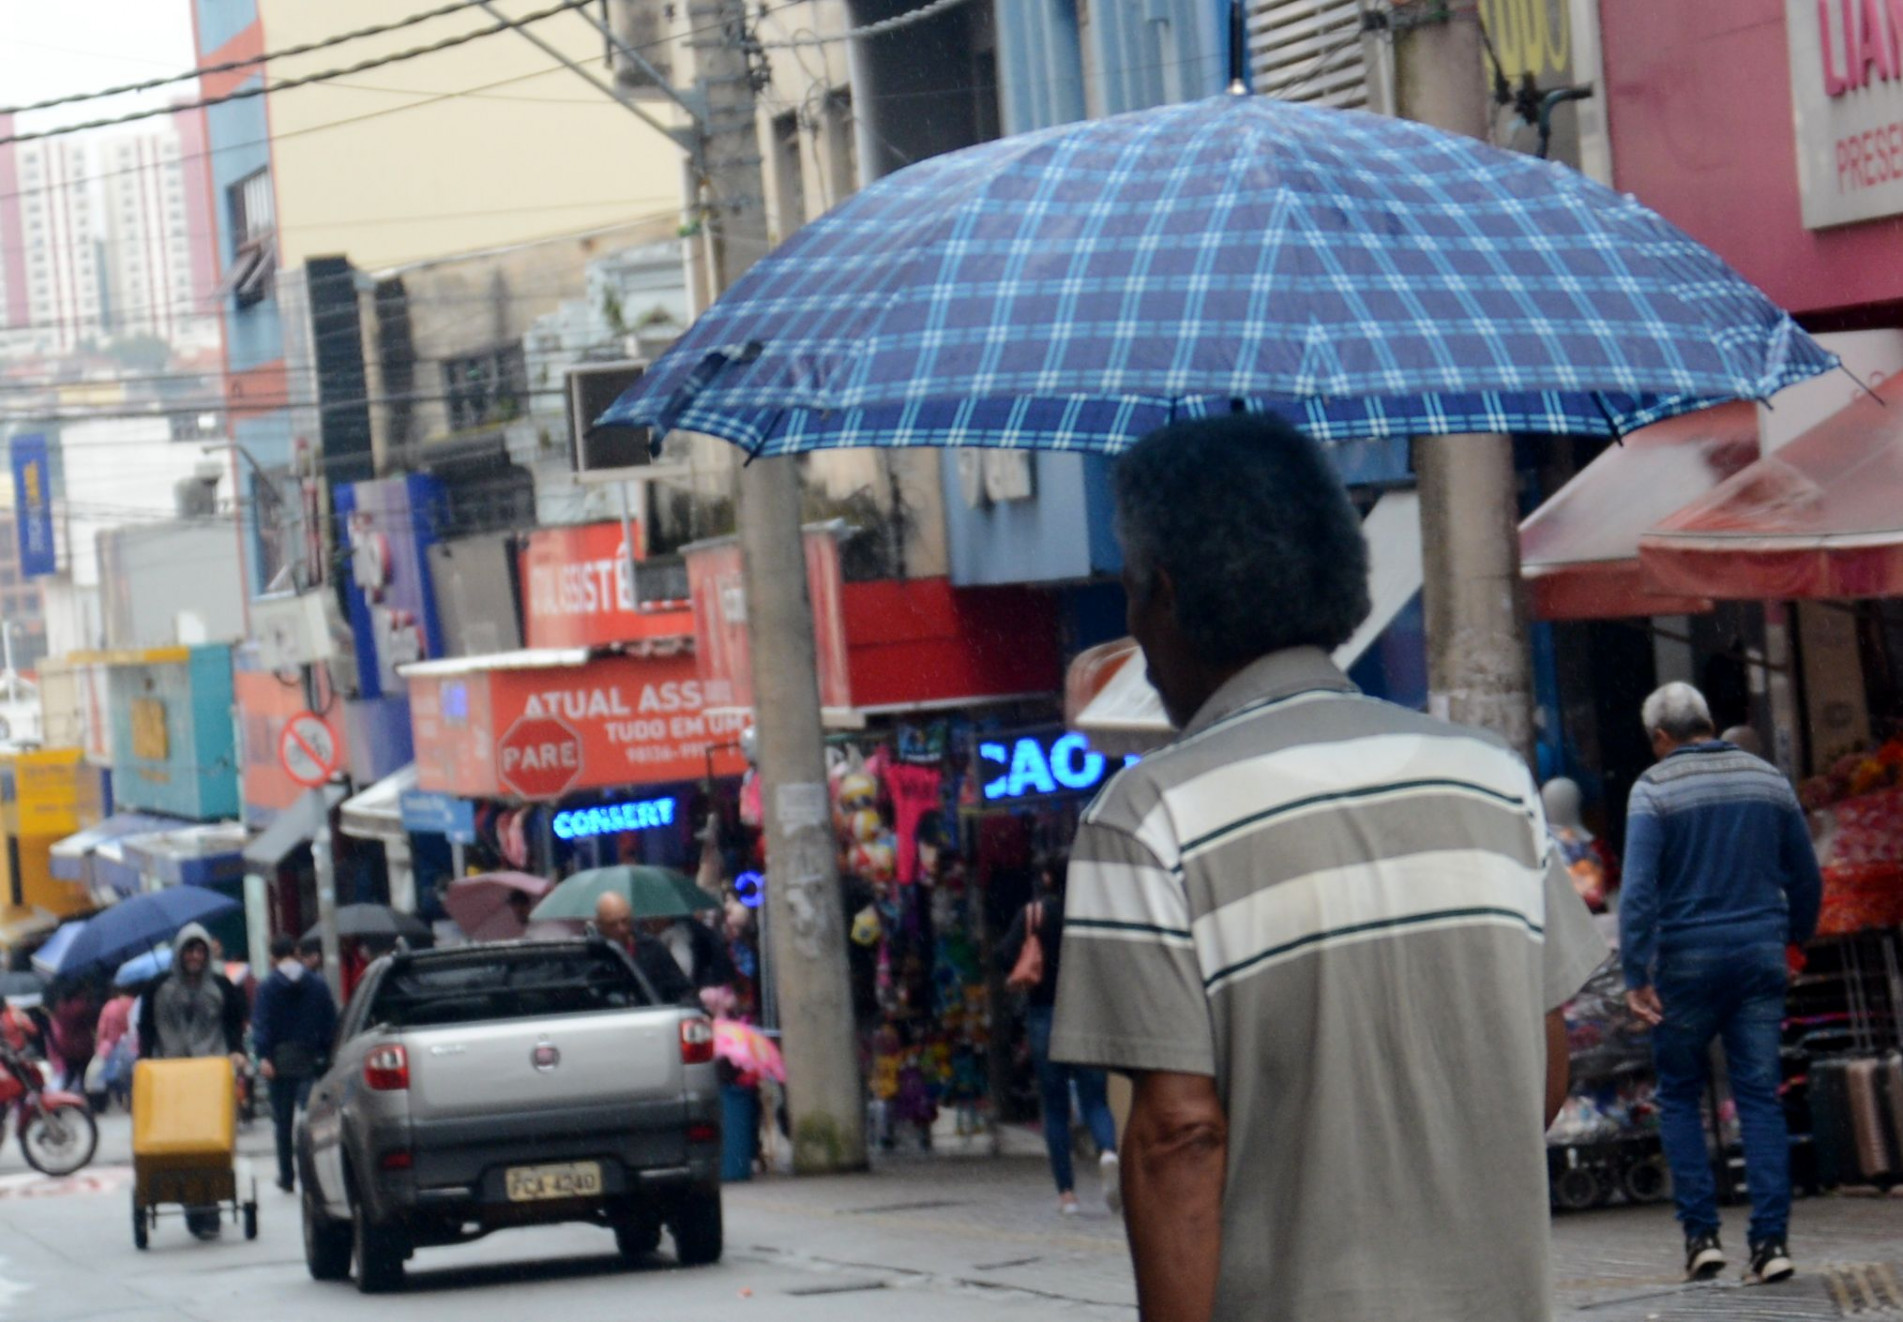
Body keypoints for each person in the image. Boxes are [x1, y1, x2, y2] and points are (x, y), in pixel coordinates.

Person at [1048, 414, 1607, 1322]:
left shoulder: (1144, 819)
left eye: (1131, 592)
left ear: (1167, 592)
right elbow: (1538, 1077)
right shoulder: (1489, 781)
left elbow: (1177, 1137)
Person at [1620, 682, 1822, 1285]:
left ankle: (1702, 1238)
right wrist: (1794, 942)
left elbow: (1636, 895)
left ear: (1661, 737)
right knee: (1759, 1097)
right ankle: (1771, 1246)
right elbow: (1806, 878)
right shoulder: (1768, 779)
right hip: (1760, 957)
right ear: (1707, 720)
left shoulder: (1653, 788)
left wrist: (1636, 975)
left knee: (1681, 1094)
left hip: (1685, 963)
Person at [997, 860, 1119, 1216]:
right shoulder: (1089, 915)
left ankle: (1067, 1196)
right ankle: (1108, 1151)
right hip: (1086, 1014)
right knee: (1095, 1099)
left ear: (1047, 877)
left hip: (1044, 1016)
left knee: (1054, 1108)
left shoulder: (1034, 914)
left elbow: (1003, 955)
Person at [136, 923, 249, 1240]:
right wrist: (144, 1061)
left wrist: (238, 1053)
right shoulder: (158, 987)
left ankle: (209, 1202)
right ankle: (190, 1202)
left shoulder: (222, 987)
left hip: (212, 1073)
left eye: (200, 950)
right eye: (189, 950)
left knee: (210, 1140)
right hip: (169, 1074)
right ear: (179, 953)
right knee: (180, 1142)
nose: (195, 956)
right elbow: (146, 1029)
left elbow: (234, 1026)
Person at [252, 935, 338, 1193]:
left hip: (279, 1062)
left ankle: (287, 1176)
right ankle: (313, 1175)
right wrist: (326, 1053)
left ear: (272, 958)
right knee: (312, 1121)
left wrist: (264, 1055)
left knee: (283, 1123)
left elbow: (262, 1024)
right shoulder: (317, 984)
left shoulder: (267, 987)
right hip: (311, 1060)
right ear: (297, 952)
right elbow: (329, 1022)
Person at [594, 892, 696, 1003]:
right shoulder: (591, 954)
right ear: (600, 924)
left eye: (625, 921)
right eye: (612, 924)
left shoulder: (652, 948)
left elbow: (681, 988)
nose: (621, 929)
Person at [644, 913, 735, 990]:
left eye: (653, 920)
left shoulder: (677, 938)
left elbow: (682, 974)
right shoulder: (689, 931)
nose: (649, 923)